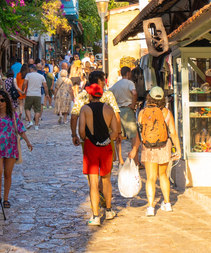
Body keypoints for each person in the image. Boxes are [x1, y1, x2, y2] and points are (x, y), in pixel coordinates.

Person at [129, 87, 181, 217]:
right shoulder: (167, 113)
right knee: (163, 175)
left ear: (149, 98)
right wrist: (178, 150)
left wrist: (134, 149)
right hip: (164, 146)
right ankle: (167, 203)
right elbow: (173, 133)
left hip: (148, 148)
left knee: (150, 178)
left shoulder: (142, 113)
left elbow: (139, 134)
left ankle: (151, 207)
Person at [77, 83, 121, 225]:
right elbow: (115, 132)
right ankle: (108, 210)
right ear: (101, 95)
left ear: (90, 95)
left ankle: (95, 216)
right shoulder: (109, 109)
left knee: (93, 182)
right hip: (106, 146)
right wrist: (106, 140)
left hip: (90, 146)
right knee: (106, 179)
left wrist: (85, 138)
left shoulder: (85, 109)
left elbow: (81, 130)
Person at [0, 91, 32, 209]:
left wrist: (27, 141)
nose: (0, 103)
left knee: (7, 174)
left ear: (6, 101)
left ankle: (5, 198)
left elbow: (20, 129)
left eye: (2, 100)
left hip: (10, 148)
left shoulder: (13, 115)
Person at [109, 66, 139, 164]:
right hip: (127, 109)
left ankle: (120, 159)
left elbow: (109, 94)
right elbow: (134, 93)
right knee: (134, 135)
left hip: (117, 111)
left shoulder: (116, 85)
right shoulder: (130, 83)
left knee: (118, 135)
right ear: (128, 73)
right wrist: (133, 105)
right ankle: (136, 160)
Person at [23, 65, 47, 131]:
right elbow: (45, 86)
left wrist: (23, 90)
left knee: (27, 108)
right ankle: (36, 125)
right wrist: (47, 94)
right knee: (37, 110)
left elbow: (24, 83)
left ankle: (30, 121)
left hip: (29, 94)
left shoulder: (28, 75)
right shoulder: (41, 76)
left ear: (31, 70)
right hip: (38, 95)